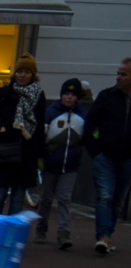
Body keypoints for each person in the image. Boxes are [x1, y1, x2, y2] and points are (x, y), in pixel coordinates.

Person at [0, 54, 47, 215]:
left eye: (26, 72)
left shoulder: (39, 95)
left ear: (33, 74)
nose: (22, 75)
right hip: (5, 151)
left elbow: (39, 126)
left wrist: (39, 154)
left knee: (18, 198)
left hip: (26, 153)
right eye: (19, 71)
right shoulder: (3, 93)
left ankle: (9, 237)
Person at [82, 57, 131, 255]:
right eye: (118, 73)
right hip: (105, 157)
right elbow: (90, 123)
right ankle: (103, 237)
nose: (118, 77)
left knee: (117, 200)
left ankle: (108, 234)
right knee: (105, 196)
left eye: (123, 74)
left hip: (127, 158)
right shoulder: (106, 96)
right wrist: (95, 150)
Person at [36, 78, 87, 250]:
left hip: (71, 164)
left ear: (78, 97)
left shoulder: (82, 115)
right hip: (51, 162)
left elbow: (84, 138)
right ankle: (41, 229)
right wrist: (41, 156)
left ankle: (63, 234)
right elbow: (42, 137)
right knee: (46, 198)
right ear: (61, 95)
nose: (69, 97)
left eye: (73, 95)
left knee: (65, 198)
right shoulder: (51, 113)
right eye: (66, 94)